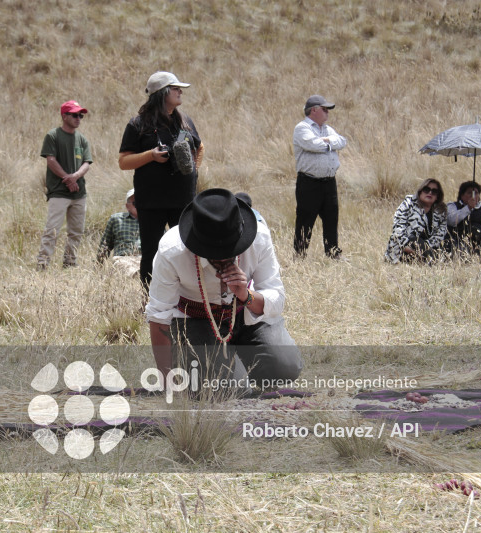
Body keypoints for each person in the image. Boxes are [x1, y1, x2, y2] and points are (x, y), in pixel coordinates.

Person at [146, 189, 302, 396]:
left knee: (285, 368)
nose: (223, 257)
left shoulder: (259, 237)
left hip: (244, 314)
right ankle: (223, 365)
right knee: (230, 390)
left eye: (231, 248)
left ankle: (235, 358)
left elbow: (276, 297)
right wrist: (167, 383)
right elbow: (159, 317)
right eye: (215, 253)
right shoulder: (172, 250)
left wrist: (245, 295)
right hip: (196, 321)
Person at [119, 71, 204, 287]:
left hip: (183, 200)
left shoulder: (185, 121)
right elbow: (124, 161)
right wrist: (151, 155)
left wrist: (192, 169)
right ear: (162, 93)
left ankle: (185, 299)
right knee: (151, 253)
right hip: (151, 201)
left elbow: (200, 146)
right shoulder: (138, 124)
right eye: (175, 88)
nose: (180, 91)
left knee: (186, 249)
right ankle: (150, 301)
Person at [36, 100, 93, 269]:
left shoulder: (82, 139)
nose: (78, 118)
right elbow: (51, 160)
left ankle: (70, 263)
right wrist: (68, 179)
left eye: (80, 115)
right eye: (74, 115)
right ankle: (43, 264)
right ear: (64, 116)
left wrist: (74, 177)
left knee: (76, 232)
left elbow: (87, 163)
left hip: (79, 193)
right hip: (59, 191)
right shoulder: (53, 136)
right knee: (52, 230)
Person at [292, 95, 347, 259]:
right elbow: (313, 145)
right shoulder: (302, 128)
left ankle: (333, 252)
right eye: (324, 109)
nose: (327, 113)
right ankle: (300, 255)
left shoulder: (327, 129)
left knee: (331, 218)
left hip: (329, 182)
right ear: (314, 110)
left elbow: (343, 141)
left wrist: (326, 141)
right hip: (309, 182)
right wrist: (330, 143)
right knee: (305, 220)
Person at [385, 179, 448, 264]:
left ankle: (429, 259)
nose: (430, 193)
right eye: (426, 190)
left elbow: (440, 235)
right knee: (414, 240)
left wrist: (425, 249)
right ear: (420, 191)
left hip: (428, 247)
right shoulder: (408, 203)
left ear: (437, 196)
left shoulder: (441, 210)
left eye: (434, 191)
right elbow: (398, 229)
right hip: (404, 247)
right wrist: (409, 249)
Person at [97, 189, 141, 276]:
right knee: (123, 266)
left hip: (146, 258)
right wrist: (98, 266)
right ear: (127, 206)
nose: (139, 205)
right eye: (135, 203)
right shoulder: (116, 219)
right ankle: (138, 275)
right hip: (123, 259)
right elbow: (105, 245)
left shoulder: (154, 220)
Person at [445, 181, 481, 256]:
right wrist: (468, 208)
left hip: (480, 243)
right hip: (458, 243)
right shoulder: (452, 206)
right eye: (470, 193)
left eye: (476, 193)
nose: (473, 196)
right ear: (462, 195)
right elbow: (452, 221)